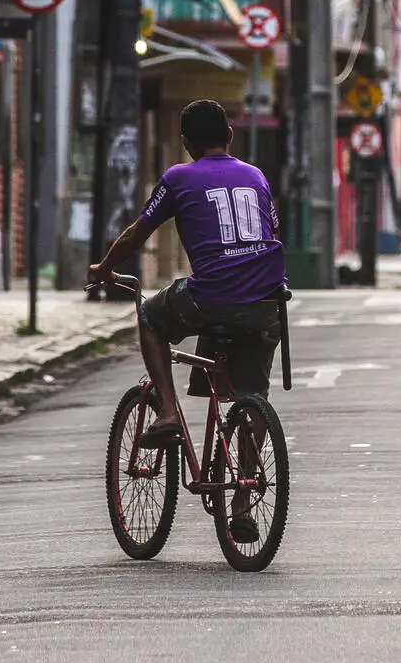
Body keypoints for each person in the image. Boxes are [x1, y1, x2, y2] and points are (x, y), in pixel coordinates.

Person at [89, 100, 287, 538]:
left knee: (150, 317)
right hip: (266, 300)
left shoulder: (179, 178)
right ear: (230, 135)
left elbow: (137, 233)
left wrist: (105, 268)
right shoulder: (256, 176)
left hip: (211, 297)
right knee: (252, 396)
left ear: (185, 142)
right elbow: (271, 232)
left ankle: (167, 412)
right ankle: (241, 503)